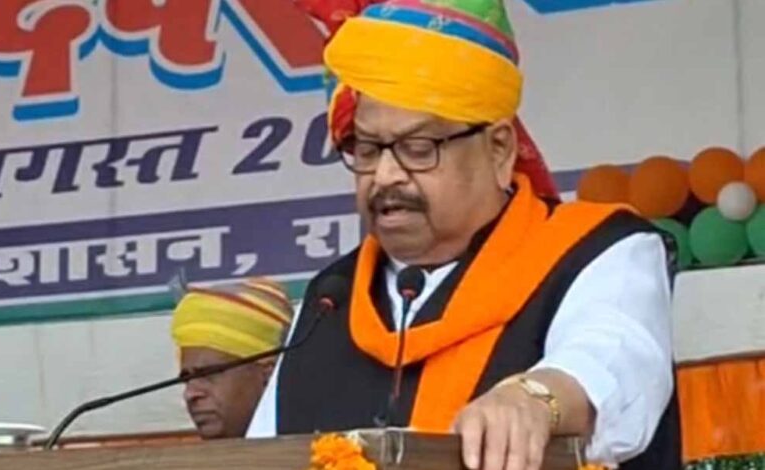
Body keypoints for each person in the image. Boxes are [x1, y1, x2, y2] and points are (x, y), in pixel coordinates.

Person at [248, 1, 681, 469]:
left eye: (418, 148)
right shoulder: (329, 301)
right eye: (368, 150)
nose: (386, 175)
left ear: (499, 149)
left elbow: (614, 358)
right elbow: (262, 453)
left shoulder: (596, 250)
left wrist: (535, 399)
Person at [171, 277, 293, 439]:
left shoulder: (315, 446)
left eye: (208, 374)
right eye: (187, 379)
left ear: (268, 375)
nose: (190, 394)